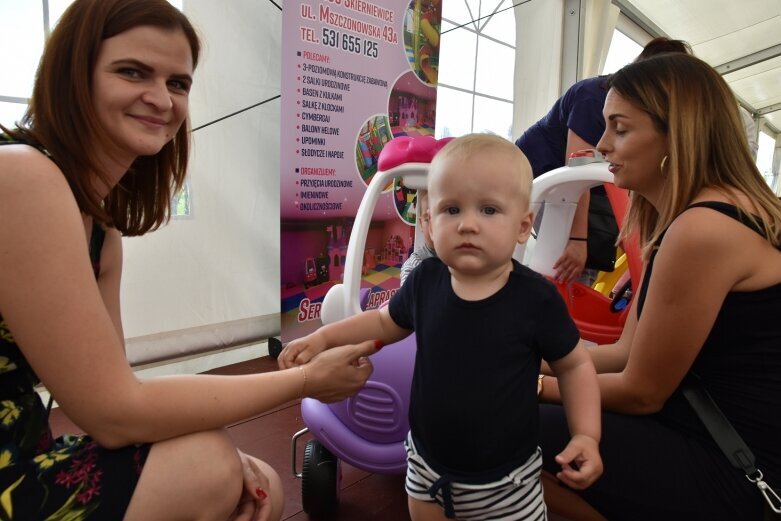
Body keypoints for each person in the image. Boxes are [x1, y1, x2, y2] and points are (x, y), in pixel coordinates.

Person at [0, 1, 375, 519]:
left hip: (25, 453)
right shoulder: (21, 176)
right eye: (132, 72)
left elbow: (114, 394)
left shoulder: (101, 232)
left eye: (178, 83)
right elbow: (112, 413)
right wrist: (305, 382)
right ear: (74, 76)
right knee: (210, 469)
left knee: (258, 475)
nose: (160, 99)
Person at [279, 134, 602, 520]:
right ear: (430, 224)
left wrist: (586, 434)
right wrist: (325, 336)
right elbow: (384, 321)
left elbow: (574, 365)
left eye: (488, 209)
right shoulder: (425, 281)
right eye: (452, 210)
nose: (467, 224)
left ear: (522, 225)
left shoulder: (536, 300)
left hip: (506, 483)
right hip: (425, 466)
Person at [537, 53, 781, 521]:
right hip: (713, 431)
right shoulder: (698, 214)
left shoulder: (702, 229)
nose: (602, 144)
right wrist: (524, 350)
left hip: (738, 465)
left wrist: (530, 383)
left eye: (620, 129)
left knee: (506, 427)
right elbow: (627, 351)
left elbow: (641, 391)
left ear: (677, 134)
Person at [515, 37, 691, 284]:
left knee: (595, 246)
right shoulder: (594, 97)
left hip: (586, 183)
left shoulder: (647, 113)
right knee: (569, 257)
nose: (604, 145)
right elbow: (578, 169)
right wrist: (577, 240)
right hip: (546, 176)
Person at [399, 189, 436, 285]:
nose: (434, 226)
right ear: (421, 224)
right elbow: (406, 298)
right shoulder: (414, 264)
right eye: (427, 219)